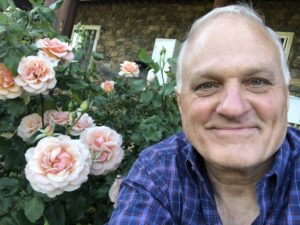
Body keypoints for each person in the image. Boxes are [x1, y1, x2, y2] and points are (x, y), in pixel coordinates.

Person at [107, 4, 300, 225]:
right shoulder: (158, 171)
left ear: (285, 97)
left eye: (257, 82)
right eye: (207, 85)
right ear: (181, 103)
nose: (233, 108)